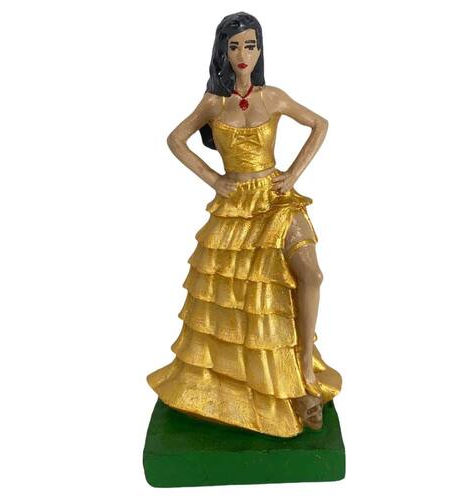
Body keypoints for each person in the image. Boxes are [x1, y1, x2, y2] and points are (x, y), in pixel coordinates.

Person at [146, 12, 342, 438]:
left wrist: (293, 174)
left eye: (250, 45)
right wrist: (215, 180)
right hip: (236, 208)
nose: (242, 54)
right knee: (245, 298)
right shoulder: (213, 103)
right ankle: (262, 383)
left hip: (275, 198)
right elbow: (176, 139)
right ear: (223, 51)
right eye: (234, 46)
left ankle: (305, 366)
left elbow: (319, 124)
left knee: (311, 274)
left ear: (259, 50)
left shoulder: (273, 96)